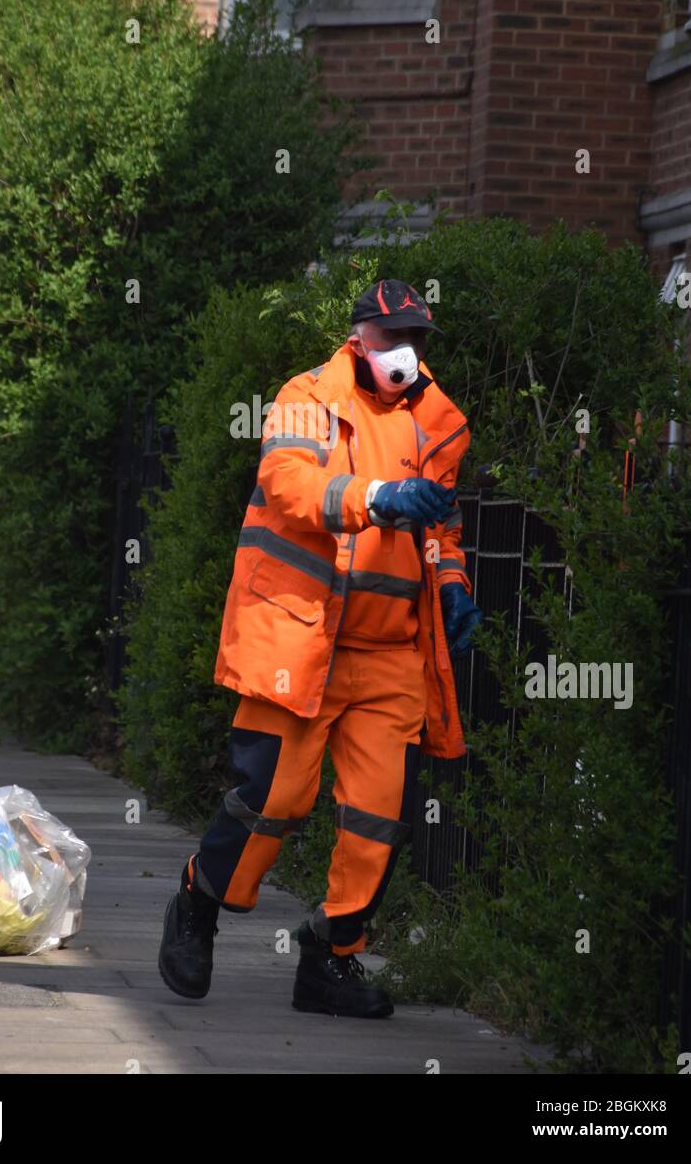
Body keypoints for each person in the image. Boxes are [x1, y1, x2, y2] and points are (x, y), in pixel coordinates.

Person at [158, 278, 482, 1018]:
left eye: (418, 341)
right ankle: (196, 907)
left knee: (379, 817)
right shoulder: (307, 396)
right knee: (269, 800)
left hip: (391, 651)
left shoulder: (440, 422)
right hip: (301, 639)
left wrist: (454, 582)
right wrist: (376, 498)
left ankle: (329, 961)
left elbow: (443, 528)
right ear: (359, 337)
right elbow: (288, 484)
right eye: (394, 338)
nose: (407, 354)